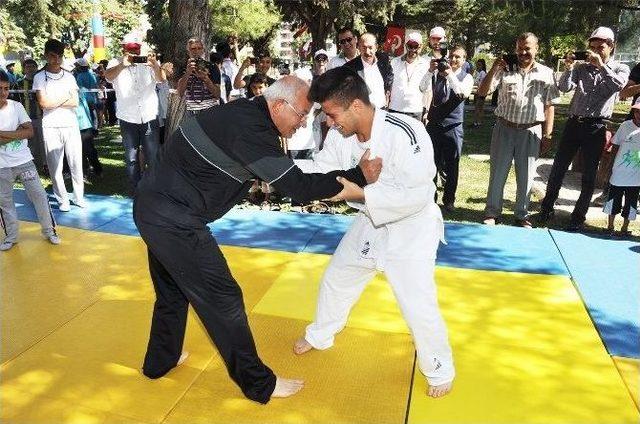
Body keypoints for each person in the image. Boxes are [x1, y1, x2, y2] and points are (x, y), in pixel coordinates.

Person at [132, 75, 382, 404]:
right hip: (174, 220)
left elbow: (288, 174)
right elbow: (299, 188)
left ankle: (159, 362)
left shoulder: (243, 113)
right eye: (301, 114)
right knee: (224, 298)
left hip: (152, 206)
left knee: (173, 292)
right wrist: (358, 176)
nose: (303, 123)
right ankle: (258, 384)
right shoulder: (251, 131)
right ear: (278, 105)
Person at [292, 66, 454, 398]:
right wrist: (281, 172)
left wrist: (362, 193)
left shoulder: (407, 131)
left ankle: (439, 367)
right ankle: (321, 333)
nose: (327, 121)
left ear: (355, 106)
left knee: (416, 303)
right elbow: (324, 170)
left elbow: (417, 194)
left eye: (331, 113)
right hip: (370, 221)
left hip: (412, 228)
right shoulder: (340, 135)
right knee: (338, 277)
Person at [539, 26, 630, 231]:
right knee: (558, 168)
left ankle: (578, 216)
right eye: (593, 47)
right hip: (574, 123)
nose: (596, 51)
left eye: (601, 47)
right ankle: (546, 208)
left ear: (611, 47)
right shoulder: (582, 67)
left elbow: (618, 86)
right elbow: (563, 88)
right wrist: (569, 67)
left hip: (596, 126)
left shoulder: (619, 68)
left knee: (589, 175)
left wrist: (601, 66)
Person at [477, 32, 560, 228]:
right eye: (520, 48)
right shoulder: (504, 69)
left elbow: (550, 105)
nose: (523, 52)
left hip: (531, 131)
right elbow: (482, 92)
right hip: (504, 128)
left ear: (536, 49)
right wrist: (494, 68)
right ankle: (492, 212)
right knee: (497, 173)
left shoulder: (546, 73)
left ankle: (521, 215)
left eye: (528, 48)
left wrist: (547, 135)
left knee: (527, 176)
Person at [0, 70, 60, 251]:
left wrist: (8, 134)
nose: (3, 92)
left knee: (39, 196)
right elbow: (22, 132)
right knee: (5, 202)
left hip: (24, 161)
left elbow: (29, 132)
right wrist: (17, 133)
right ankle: (11, 236)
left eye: (6, 88)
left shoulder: (16, 106)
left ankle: (49, 231)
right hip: (2, 166)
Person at [104, 34, 165, 194]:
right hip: (127, 117)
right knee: (131, 158)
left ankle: (154, 190)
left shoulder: (148, 62)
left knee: (153, 157)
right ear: (123, 48)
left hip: (149, 115)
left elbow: (161, 79)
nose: (134, 54)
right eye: (130, 50)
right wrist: (122, 66)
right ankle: (136, 191)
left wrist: (155, 65)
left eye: (136, 49)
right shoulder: (115, 62)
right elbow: (108, 77)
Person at [33, 39, 85, 212]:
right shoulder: (39, 77)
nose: (56, 60)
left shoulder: (69, 76)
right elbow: (43, 103)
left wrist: (55, 100)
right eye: (53, 56)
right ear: (46, 56)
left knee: (76, 162)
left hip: (70, 125)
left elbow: (75, 102)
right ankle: (62, 199)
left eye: (60, 56)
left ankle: (78, 197)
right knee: (55, 166)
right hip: (51, 126)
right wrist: (64, 97)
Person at [421, 46, 474, 212]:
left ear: (464, 60)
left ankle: (449, 200)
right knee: (431, 164)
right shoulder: (437, 74)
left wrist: (450, 74)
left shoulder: (467, 77)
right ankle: (430, 198)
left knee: (452, 165)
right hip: (434, 124)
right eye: (452, 56)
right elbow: (422, 87)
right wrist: (430, 71)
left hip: (453, 126)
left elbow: (461, 94)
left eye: (458, 57)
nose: (454, 60)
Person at [603, 98, 640, 236]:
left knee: (631, 204)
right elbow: (615, 145)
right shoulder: (625, 126)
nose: (639, 114)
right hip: (619, 173)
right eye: (637, 111)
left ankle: (625, 228)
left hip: (636, 177)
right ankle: (609, 227)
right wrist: (610, 166)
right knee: (613, 202)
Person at [388, 31, 430, 121]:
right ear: (406, 45)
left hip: (415, 111)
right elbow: (388, 87)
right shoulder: (394, 62)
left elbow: (428, 91)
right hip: (395, 109)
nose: (413, 50)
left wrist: (426, 112)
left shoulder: (426, 65)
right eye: (410, 46)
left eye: (416, 46)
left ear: (421, 46)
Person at [344, 33, 393, 109]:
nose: (367, 51)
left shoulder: (383, 60)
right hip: (363, 113)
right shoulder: (350, 67)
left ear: (376, 47)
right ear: (359, 48)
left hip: (382, 110)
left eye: (370, 47)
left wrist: (387, 90)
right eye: (364, 47)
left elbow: (390, 75)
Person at [176, 38, 221, 115]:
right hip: (191, 112)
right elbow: (180, 93)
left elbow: (217, 95)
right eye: (193, 48)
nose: (196, 51)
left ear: (203, 50)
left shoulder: (212, 66)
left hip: (210, 110)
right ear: (188, 51)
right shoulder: (183, 67)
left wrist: (206, 79)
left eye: (199, 48)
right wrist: (187, 73)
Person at [472, 58, 487, 127]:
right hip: (477, 91)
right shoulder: (478, 72)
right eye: (477, 65)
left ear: (483, 65)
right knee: (478, 107)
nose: (478, 66)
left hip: (481, 92)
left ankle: (477, 122)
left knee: (478, 107)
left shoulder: (483, 73)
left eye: (480, 65)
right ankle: (477, 122)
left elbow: (481, 83)